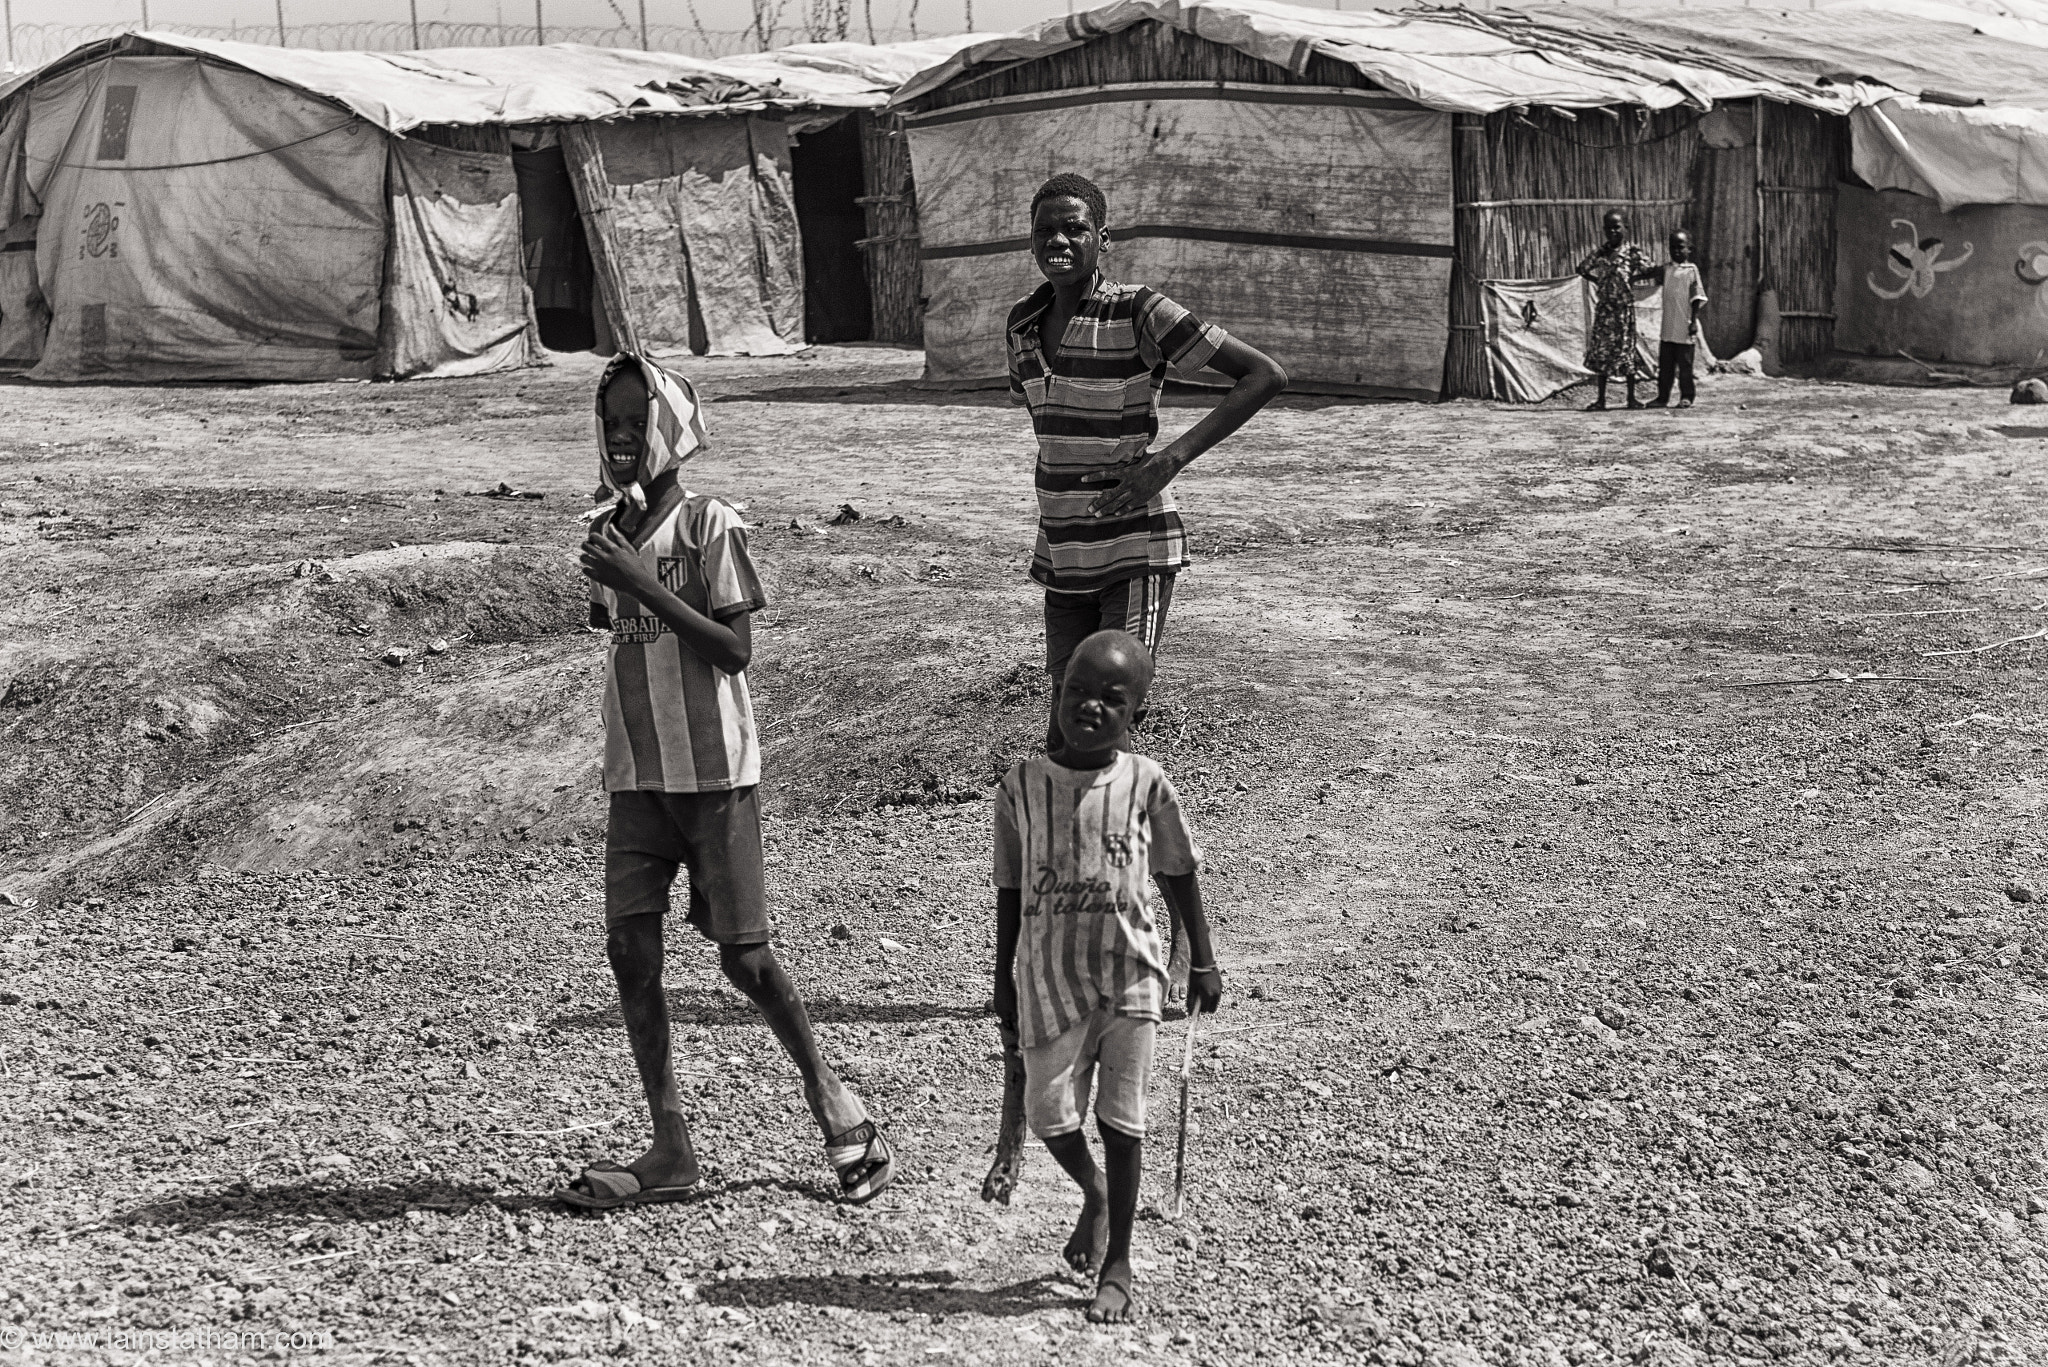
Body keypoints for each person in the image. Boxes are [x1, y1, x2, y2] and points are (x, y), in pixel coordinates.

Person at [558, 354, 894, 1209]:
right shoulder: (607, 531)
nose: (623, 436)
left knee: (745, 958)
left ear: (672, 429)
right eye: (612, 423)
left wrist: (640, 582)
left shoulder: (713, 525)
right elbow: (622, 637)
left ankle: (834, 1101)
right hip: (637, 771)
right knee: (631, 950)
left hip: (715, 774)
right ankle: (671, 1144)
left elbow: (734, 649)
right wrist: (621, 573)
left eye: (638, 420)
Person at [1004, 172, 1284, 992]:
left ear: (1103, 238)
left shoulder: (1140, 312)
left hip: (1135, 550)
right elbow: (1054, 437)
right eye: (1046, 230)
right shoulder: (1022, 326)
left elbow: (1264, 375)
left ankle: (1190, 946)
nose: (1060, 242)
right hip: (1063, 558)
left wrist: (1168, 459)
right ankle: (1069, 939)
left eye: (1076, 230)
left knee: (1107, 743)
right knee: (1064, 746)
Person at [991, 629, 1224, 1324]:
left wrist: (1202, 957)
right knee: (1047, 1112)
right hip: (1046, 976)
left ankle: (1118, 1259)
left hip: (1132, 974)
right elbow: (1007, 887)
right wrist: (1002, 972)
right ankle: (1091, 1191)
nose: (1089, 706)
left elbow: (1178, 870)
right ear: (1056, 695)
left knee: (1123, 1120)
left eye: (1111, 699)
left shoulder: (1146, 783)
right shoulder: (1021, 788)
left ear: (1137, 716)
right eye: (1076, 692)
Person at [1575, 209, 1655, 410]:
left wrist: (1631, 280)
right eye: (1608, 228)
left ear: (1626, 228)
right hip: (1605, 311)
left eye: (1617, 227)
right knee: (1602, 353)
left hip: (1623, 311)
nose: (1612, 232)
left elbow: (1650, 269)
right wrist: (1599, 282)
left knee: (1626, 352)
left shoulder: (1632, 253)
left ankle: (1631, 398)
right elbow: (1582, 269)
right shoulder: (1600, 253)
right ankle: (1601, 400)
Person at [1644, 229, 1708, 408]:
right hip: (1668, 327)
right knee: (1665, 367)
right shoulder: (1666, 269)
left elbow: (1697, 298)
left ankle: (1687, 396)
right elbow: (1650, 273)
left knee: (1685, 366)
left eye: (1680, 247)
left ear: (1690, 249)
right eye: (1673, 247)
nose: (1676, 251)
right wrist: (1634, 277)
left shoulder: (1691, 271)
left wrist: (1694, 321)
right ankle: (1662, 397)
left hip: (1684, 326)